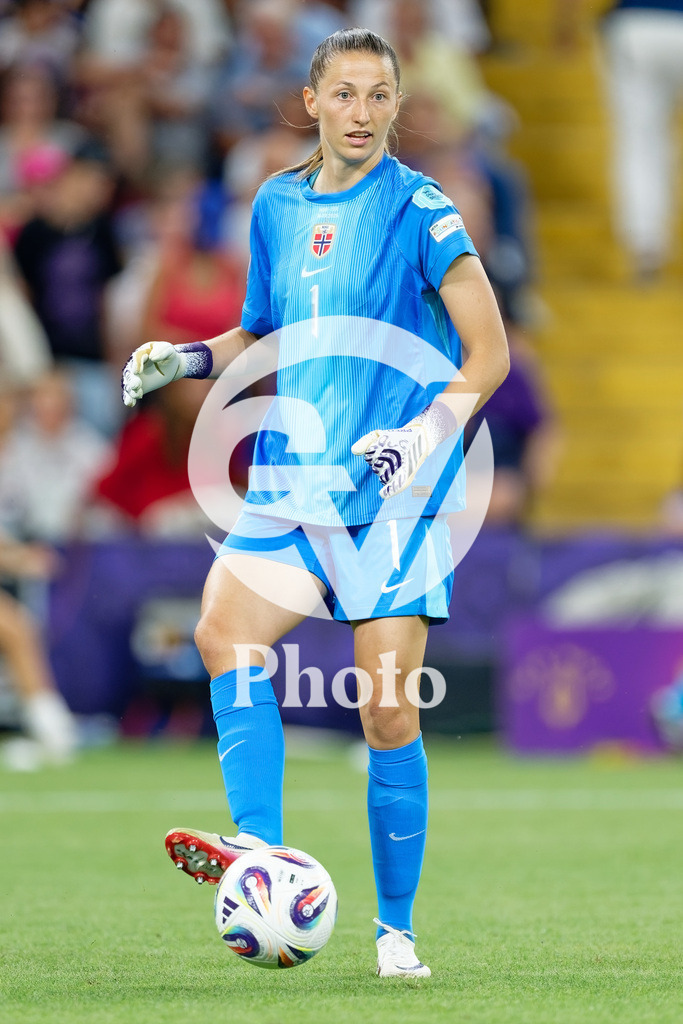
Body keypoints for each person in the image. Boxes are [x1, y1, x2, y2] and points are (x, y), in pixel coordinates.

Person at [121, 28, 509, 978]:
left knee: (386, 715)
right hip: (293, 482)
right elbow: (265, 326)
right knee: (225, 633)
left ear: (396, 105)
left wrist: (423, 434)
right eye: (345, 94)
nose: (364, 113)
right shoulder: (278, 203)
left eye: (380, 96)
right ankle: (256, 848)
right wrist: (190, 355)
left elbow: (487, 354)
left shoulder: (421, 207)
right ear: (310, 100)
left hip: (391, 494)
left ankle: (395, 933)